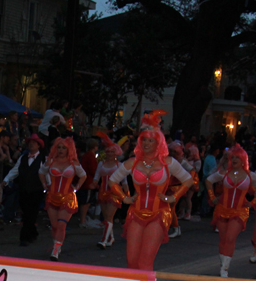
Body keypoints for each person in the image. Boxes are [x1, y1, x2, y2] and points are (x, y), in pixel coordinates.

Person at [108, 112, 194, 270]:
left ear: (158, 143)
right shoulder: (132, 163)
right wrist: (124, 198)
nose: (146, 143)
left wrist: (173, 197)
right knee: (132, 261)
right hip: (136, 213)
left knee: (145, 262)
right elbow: (112, 180)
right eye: (144, 140)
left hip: (159, 213)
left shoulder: (169, 163)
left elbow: (188, 180)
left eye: (151, 140)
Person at [205, 145, 256, 277]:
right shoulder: (224, 173)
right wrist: (212, 197)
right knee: (223, 239)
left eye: (238, 157)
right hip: (222, 209)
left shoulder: (251, 175)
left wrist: (252, 203)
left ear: (244, 159)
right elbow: (209, 181)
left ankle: (225, 268)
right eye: (233, 157)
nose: (235, 159)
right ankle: (223, 263)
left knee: (230, 237)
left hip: (239, 211)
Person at [39, 137, 86, 261]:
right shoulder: (50, 161)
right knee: (54, 225)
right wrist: (44, 185)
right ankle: (57, 244)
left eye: (64, 148)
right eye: (59, 147)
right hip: (52, 195)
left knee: (61, 225)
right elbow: (41, 172)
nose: (60, 150)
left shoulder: (74, 163)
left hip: (68, 197)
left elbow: (83, 176)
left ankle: (55, 250)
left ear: (69, 149)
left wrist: (76, 188)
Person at [3, 134, 47, 246]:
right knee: (27, 212)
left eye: (34, 142)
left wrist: (49, 187)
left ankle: (24, 237)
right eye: (30, 142)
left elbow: (47, 174)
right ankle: (33, 233)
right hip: (23, 189)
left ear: (38, 145)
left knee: (31, 213)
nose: (31, 144)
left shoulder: (43, 159)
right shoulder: (23, 158)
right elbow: (15, 170)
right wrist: (6, 180)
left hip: (36, 190)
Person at [93, 133, 124, 249]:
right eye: (108, 151)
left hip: (114, 192)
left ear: (116, 153)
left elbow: (124, 181)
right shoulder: (101, 163)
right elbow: (96, 177)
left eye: (112, 152)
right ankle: (110, 237)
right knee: (106, 217)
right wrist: (94, 183)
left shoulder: (119, 165)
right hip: (102, 192)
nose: (110, 154)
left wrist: (127, 195)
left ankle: (103, 240)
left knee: (109, 216)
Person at [77, 138, 101, 229]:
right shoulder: (91, 156)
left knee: (86, 202)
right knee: (86, 202)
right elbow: (93, 170)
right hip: (89, 182)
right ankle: (82, 221)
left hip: (86, 181)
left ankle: (82, 219)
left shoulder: (87, 155)